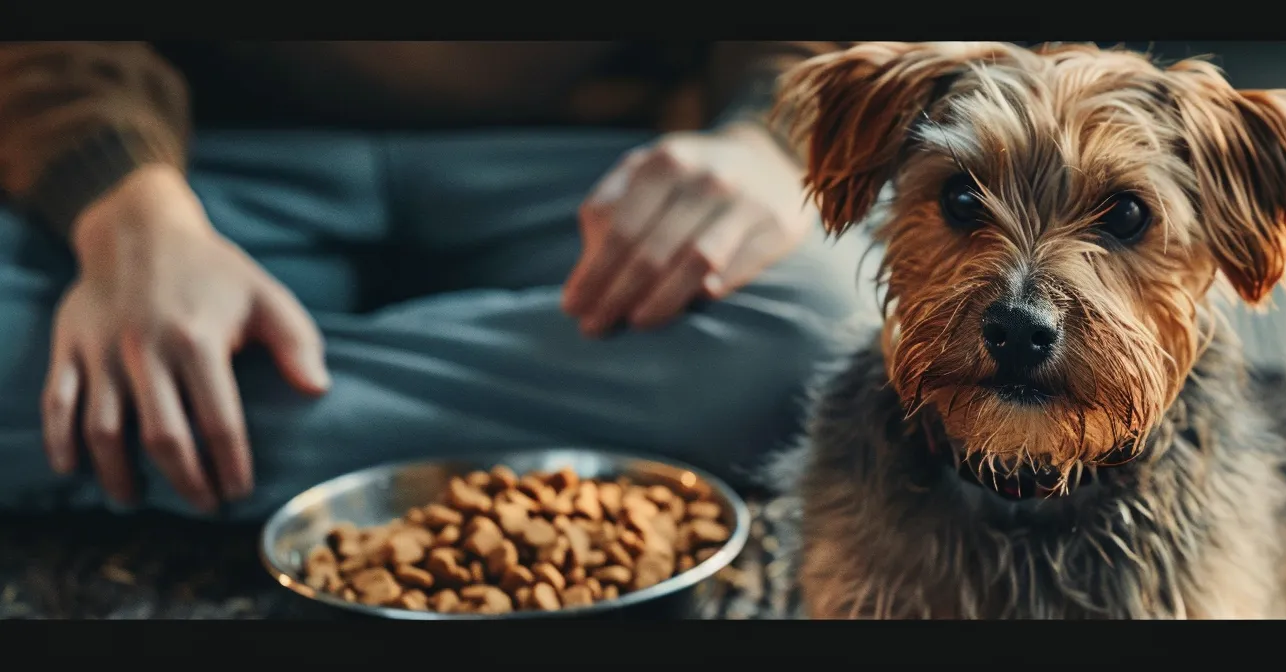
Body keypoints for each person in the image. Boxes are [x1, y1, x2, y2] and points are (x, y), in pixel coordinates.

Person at [0, 41, 880, 519]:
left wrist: (771, 137)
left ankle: (154, 427)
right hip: (199, 160)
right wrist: (128, 216)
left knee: (823, 336)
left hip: (602, 170)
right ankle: (607, 437)